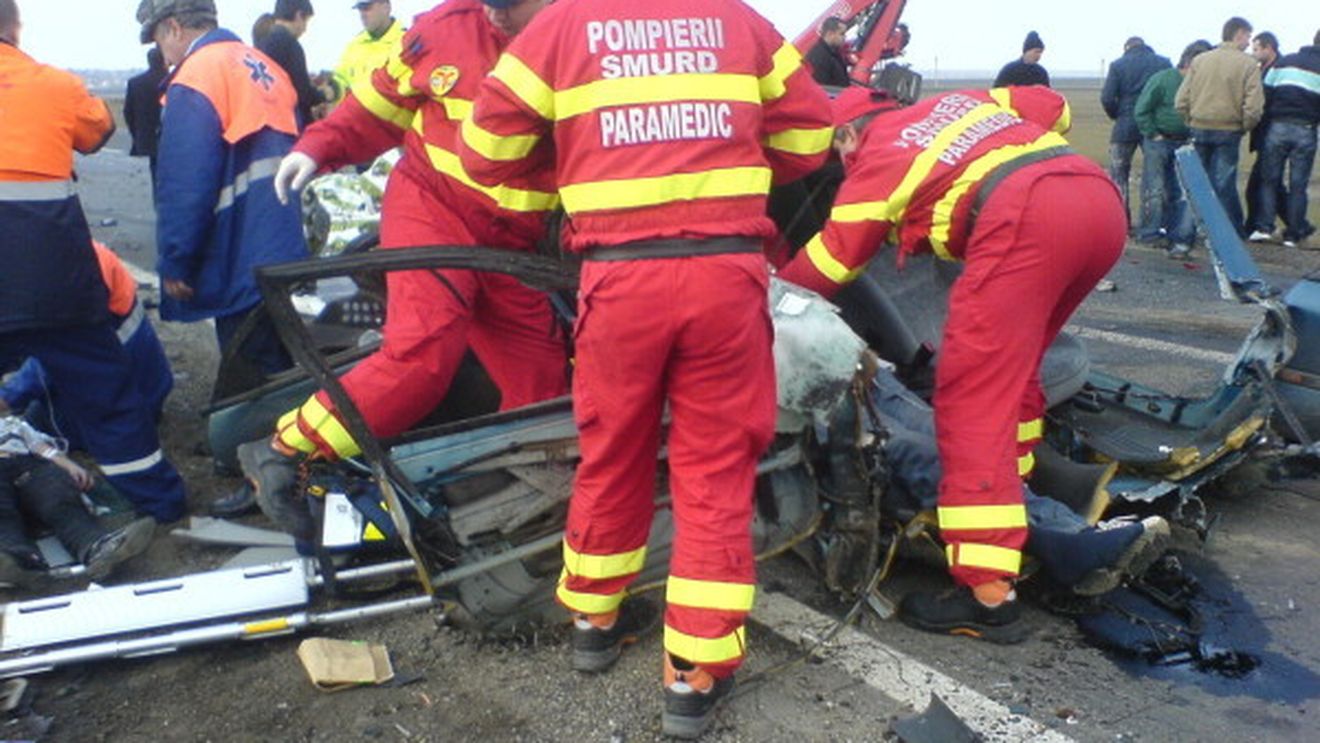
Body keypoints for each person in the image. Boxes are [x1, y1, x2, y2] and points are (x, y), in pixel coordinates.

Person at [459, 1, 832, 736]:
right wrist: (729, 162)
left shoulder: (560, 25)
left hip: (619, 279)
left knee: (612, 449)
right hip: (724, 275)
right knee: (715, 467)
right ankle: (693, 674)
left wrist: (580, 166)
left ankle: (594, 621)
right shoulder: (736, 19)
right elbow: (811, 135)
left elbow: (484, 151)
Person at [777, 85, 1126, 644]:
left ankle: (988, 593)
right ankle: (1020, 495)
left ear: (847, 135)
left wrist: (766, 301)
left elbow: (831, 261)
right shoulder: (958, 102)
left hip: (1023, 219)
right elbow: (1053, 106)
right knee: (1015, 372)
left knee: (970, 401)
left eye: (837, 153)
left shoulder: (879, 157)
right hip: (1096, 204)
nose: (841, 165)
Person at [233, 0, 568, 524]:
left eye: (510, 4)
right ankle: (284, 450)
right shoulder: (445, 31)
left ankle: (515, 494)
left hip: (512, 249)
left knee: (542, 385)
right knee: (424, 354)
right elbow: (377, 108)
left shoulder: (590, 44)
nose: (495, 15)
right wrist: (318, 146)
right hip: (433, 212)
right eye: (489, 3)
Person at [1, 0, 186, 523]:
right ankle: (162, 505)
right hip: (56, 277)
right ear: (16, 28)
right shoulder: (56, 85)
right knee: (107, 399)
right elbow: (97, 130)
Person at [872, 368, 1171, 597]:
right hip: (843, 395)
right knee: (920, 453)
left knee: (956, 437)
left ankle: (1073, 535)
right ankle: (1057, 545)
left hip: (857, 366)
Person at [139, 0, 309, 377]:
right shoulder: (266, 67)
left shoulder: (196, 76)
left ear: (174, 28)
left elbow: (185, 184)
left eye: (158, 41)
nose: (162, 55)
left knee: (251, 377)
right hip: (283, 244)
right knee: (283, 360)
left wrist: (176, 261)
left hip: (240, 254)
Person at [2, 241, 175, 440]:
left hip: (118, 409)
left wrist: (8, 396)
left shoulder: (55, 284)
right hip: (152, 384)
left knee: (35, 422)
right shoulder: (77, 247)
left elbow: (50, 361)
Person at [0, 404, 157, 587]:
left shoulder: (13, 425)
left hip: (29, 466)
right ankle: (15, 562)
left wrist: (70, 466)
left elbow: (44, 449)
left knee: (58, 499)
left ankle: (98, 550)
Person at [1175, 16, 1264, 237]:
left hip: (1198, 128)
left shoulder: (1200, 61)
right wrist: (1244, 126)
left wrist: (1191, 120)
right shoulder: (1248, 64)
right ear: (1239, 34)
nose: (1248, 42)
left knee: (1195, 185)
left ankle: (1183, 238)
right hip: (1229, 131)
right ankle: (1230, 237)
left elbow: (1181, 100)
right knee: (1223, 186)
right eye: (1248, 36)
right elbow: (1254, 106)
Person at [1135, 40, 1213, 259]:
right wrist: (1152, 133)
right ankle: (1149, 233)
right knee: (1154, 188)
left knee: (1179, 191)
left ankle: (1176, 234)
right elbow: (1142, 109)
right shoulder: (1162, 79)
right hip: (1158, 141)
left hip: (1184, 142)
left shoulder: (1200, 84)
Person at [1257, 31, 1320, 249]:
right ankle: (1293, 234)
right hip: (1306, 129)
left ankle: (1265, 227)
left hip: (1278, 125)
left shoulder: (1285, 62)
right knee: (1298, 185)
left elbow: (1265, 92)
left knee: (1269, 180)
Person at [1101, 37, 1171, 230]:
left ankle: (1122, 224)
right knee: (1157, 177)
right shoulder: (1163, 63)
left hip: (1125, 125)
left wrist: (1118, 115)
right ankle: (1157, 224)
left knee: (1119, 176)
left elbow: (1107, 98)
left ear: (1126, 48)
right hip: (1155, 126)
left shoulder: (1118, 65)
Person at [257, 0, 328, 128]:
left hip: (265, 117)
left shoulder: (263, 42)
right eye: (306, 22)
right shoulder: (291, 44)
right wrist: (324, 94)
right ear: (299, 15)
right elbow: (303, 93)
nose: (305, 29)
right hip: (289, 122)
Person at [1246, 31, 1284, 241]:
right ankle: (1295, 225)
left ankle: (1256, 225)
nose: (1253, 53)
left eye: (1256, 49)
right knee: (1272, 184)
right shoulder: (1263, 69)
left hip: (1272, 133)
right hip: (1265, 133)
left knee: (1259, 184)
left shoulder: (1278, 70)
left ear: (1269, 48)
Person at [329, 0, 405, 104]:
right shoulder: (355, 45)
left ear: (386, 7)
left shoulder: (405, 43)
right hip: (355, 112)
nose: (362, 15)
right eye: (360, 9)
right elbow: (341, 79)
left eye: (367, 8)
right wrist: (332, 89)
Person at [122, 47, 169, 196]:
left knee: (156, 176)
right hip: (172, 138)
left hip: (148, 138)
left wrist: (136, 135)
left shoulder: (136, 83)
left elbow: (128, 112)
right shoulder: (174, 81)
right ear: (165, 60)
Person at [806, 16, 850, 88]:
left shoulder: (834, 52)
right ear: (830, 34)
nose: (845, 37)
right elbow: (823, 88)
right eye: (842, 34)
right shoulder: (818, 57)